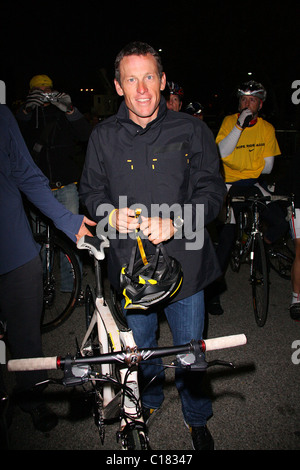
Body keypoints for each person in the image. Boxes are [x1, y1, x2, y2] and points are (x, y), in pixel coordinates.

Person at [79, 41, 226, 450]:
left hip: (186, 262)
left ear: (162, 81)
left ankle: (197, 417)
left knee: (189, 351)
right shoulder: (103, 136)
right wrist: (108, 212)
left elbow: (213, 193)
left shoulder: (192, 129)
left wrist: (177, 220)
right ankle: (149, 402)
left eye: (149, 77)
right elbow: (90, 191)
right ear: (118, 86)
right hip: (130, 265)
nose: (141, 89)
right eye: (131, 79)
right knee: (139, 350)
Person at [0, 104, 96, 435]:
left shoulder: (1, 114)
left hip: (15, 249)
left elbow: (25, 171)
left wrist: (68, 221)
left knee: (27, 338)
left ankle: (33, 398)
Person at [206, 80, 281, 315]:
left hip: (254, 183)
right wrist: (239, 126)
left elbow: (268, 168)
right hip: (229, 184)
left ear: (260, 103)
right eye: (243, 100)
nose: (247, 104)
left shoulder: (267, 128)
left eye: (252, 100)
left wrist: (244, 166)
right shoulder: (230, 122)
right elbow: (222, 153)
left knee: (280, 219)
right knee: (226, 238)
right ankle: (213, 294)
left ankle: (261, 244)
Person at [16, 75, 92, 298]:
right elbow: (11, 136)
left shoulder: (61, 113)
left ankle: (72, 288)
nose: (44, 94)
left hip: (66, 186)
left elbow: (86, 134)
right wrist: (26, 111)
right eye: (38, 90)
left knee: (73, 236)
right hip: (37, 191)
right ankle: (41, 289)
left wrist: (70, 110)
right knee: (38, 243)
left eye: (48, 89)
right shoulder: (27, 118)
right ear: (30, 94)